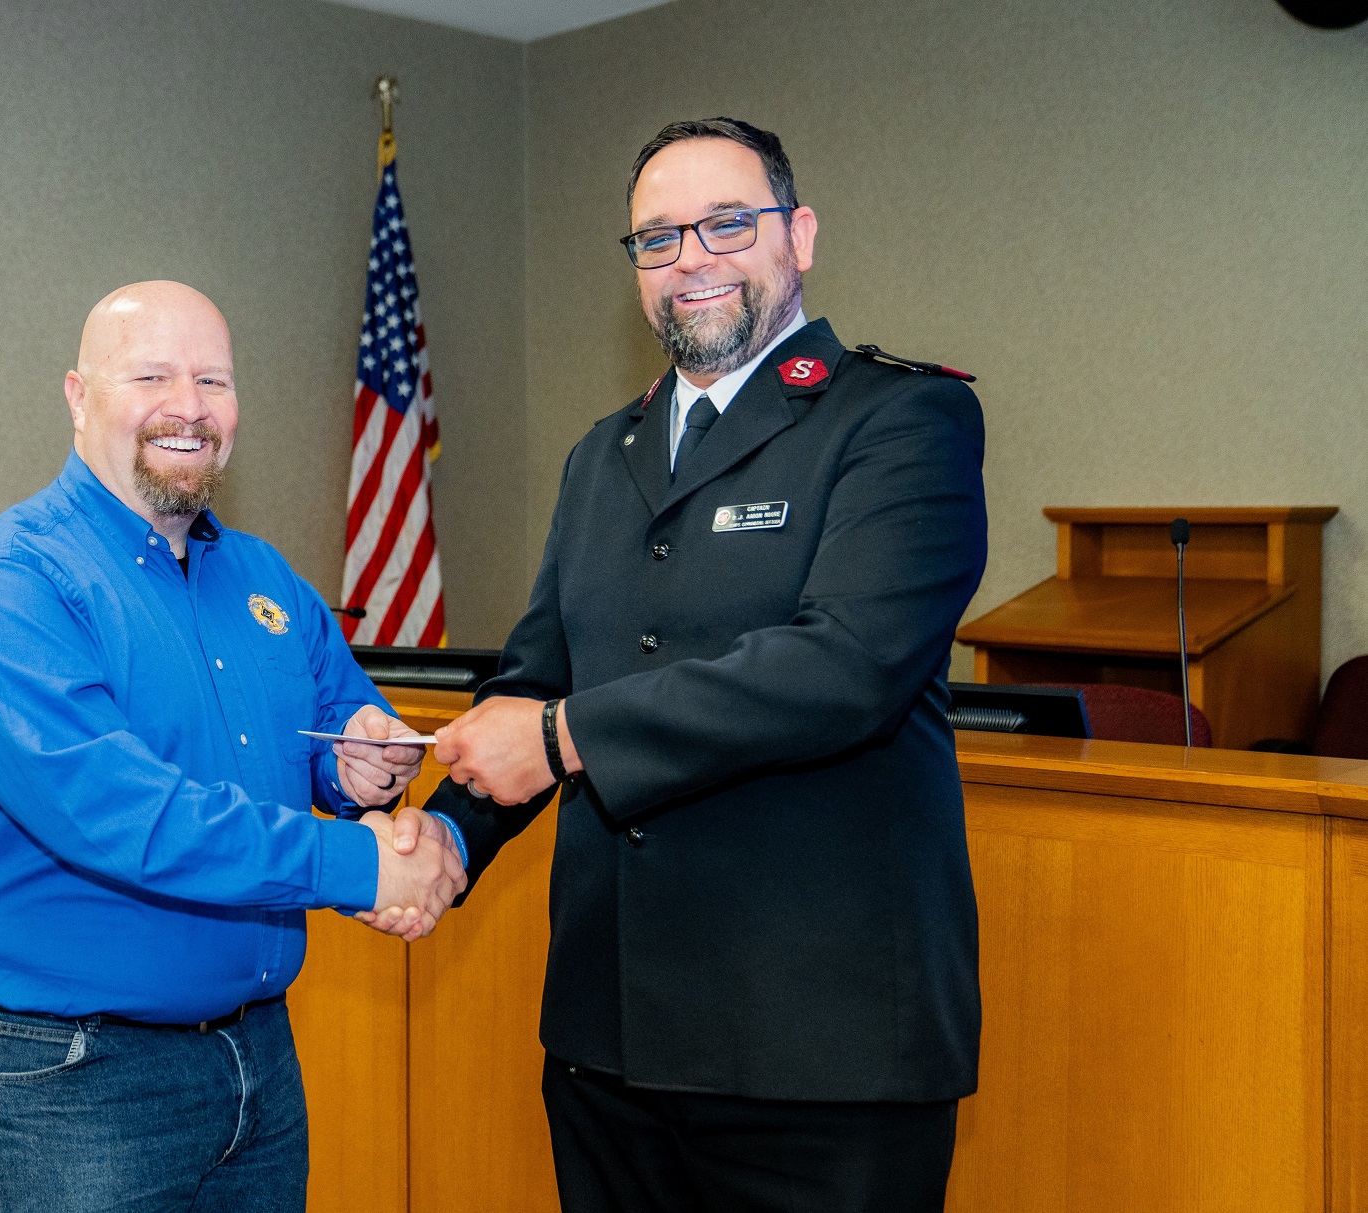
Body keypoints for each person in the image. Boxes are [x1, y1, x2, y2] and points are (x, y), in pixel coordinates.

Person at [395, 119, 990, 1212]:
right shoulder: (600, 454)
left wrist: (562, 739)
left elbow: (847, 667)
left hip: (820, 1052)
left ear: (798, 236)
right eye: (658, 238)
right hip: (609, 1042)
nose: (691, 259)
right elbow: (538, 675)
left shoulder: (903, 418)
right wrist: (444, 838)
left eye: (727, 224)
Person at [0, 280, 466, 1212]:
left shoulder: (261, 575)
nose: (189, 406)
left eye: (214, 380)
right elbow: (129, 817)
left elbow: (340, 720)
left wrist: (361, 765)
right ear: (79, 397)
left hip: (256, 1057)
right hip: (67, 1078)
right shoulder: (2, 589)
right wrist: (364, 864)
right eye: (152, 376)